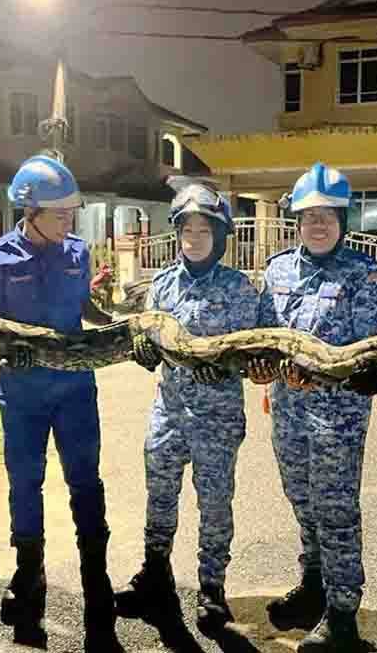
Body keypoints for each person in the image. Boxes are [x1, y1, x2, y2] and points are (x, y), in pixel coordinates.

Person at [0, 155, 122, 651]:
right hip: (23, 396)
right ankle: (28, 575)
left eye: (71, 214)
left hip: (75, 391)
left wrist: (122, 323)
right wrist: (5, 348)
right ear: (29, 210)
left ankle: (96, 579)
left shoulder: (77, 253)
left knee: (85, 480)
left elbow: (85, 309)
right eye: (60, 214)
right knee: (25, 483)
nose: (69, 222)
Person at [250, 162, 377, 652]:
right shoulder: (278, 270)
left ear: (343, 221)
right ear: (297, 222)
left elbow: (373, 352)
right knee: (303, 502)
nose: (318, 225)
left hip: (339, 419)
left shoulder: (363, 276)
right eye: (309, 217)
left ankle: (343, 614)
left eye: (328, 216)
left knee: (335, 512)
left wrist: (327, 372)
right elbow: (263, 336)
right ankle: (314, 586)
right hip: (289, 415)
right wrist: (261, 367)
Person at [114, 180, 258, 634]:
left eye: (204, 230)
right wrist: (146, 350)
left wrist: (228, 365)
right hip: (169, 414)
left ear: (220, 235)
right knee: (159, 498)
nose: (194, 238)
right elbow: (151, 337)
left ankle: (212, 588)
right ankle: (155, 575)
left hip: (216, 417)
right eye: (187, 230)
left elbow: (254, 354)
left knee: (214, 504)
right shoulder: (161, 285)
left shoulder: (240, 289)